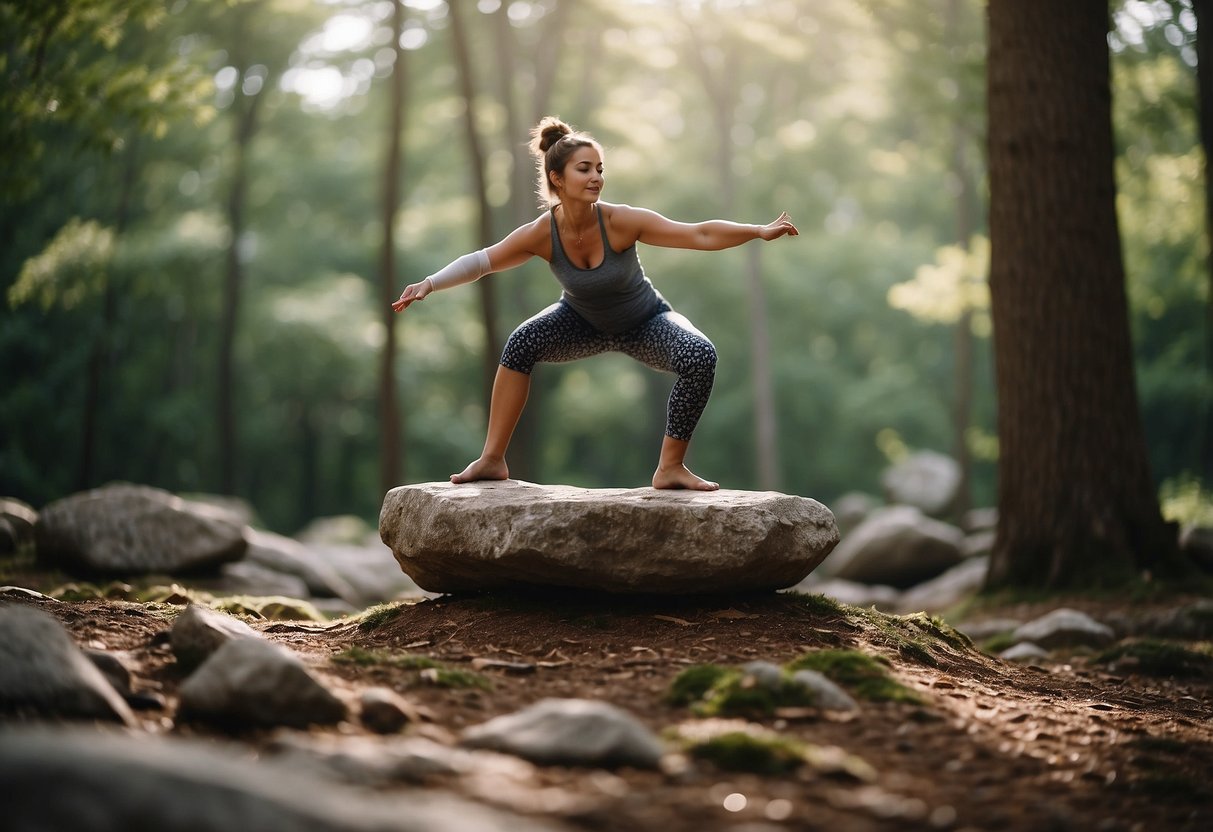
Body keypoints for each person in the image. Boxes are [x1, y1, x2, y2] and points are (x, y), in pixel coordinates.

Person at [393, 116, 798, 491]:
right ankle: (492, 459)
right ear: (558, 177)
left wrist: (758, 231)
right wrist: (429, 283)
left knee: (700, 355)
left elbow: (699, 235)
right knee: (520, 344)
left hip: (645, 322)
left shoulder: (620, 221)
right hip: (579, 321)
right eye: (584, 169)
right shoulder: (541, 233)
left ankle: (670, 467)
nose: (596, 177)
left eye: (600, 169)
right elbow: (482, 261)